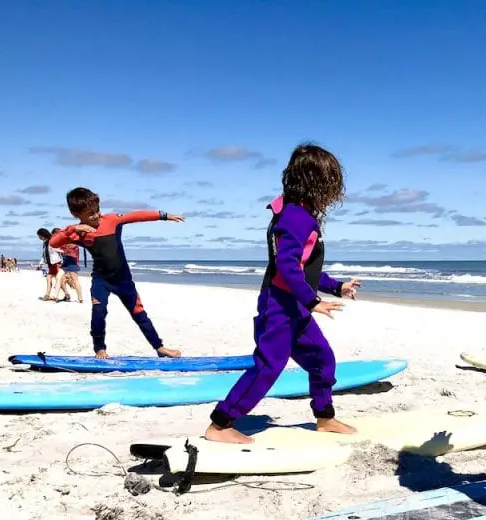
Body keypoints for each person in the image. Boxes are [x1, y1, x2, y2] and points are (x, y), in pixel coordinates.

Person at [204, 143, 361, 444]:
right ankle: (221, 424)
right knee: (268, 366)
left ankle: (325, 417)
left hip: (295, 308)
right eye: (331, 182)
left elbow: (303, 268)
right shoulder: (295, 217)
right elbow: (286, 266)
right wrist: (313, 301)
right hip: (280, 308)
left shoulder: (296, 213)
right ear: (316, 183)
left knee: (322, 359)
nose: (334, 191)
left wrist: (335, 286)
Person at [49, 188, 182, 359]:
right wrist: (73, 229)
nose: (96, 215)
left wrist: (163, 215)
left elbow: (136, 216)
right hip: (101, 280)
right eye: (90, 214)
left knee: (139, 313)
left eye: (97, 210)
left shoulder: (111, 220)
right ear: (76, 214)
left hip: (123, 280)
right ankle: (100, 349)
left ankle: (159, 347)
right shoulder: (77, 232)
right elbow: (53, 242)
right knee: (98, 311)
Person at [55, 231, 84, 303]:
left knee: (75, 280)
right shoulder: (63, 243)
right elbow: (58, 247)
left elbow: (67, 251)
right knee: (58, 277)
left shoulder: (74, 244)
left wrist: (58, 250)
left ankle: (80, 298)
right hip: (65, 264)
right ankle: (56, 296)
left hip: (72, 263)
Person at [36, 228, 64, 300]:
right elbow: (44, 254)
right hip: (50, 263)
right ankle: (66, 294)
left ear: (43, 235)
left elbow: (60, 250)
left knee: (52, 278)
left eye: (39, 236)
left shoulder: (53, 240)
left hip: (56, 262)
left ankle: (47, 294)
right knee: (54, 279)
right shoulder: (45, 243)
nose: (39, 238)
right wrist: (40, 263)